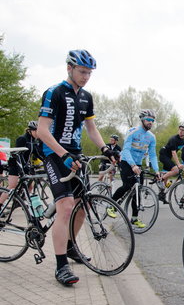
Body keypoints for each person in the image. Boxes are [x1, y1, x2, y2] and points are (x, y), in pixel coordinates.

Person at [37, 50, 117, 286]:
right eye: (82, 72)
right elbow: (42, 130)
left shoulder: (86, 97)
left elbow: (91, 128)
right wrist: (62, 154)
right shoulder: (54, 92)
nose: (86, 77)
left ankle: (71, 247)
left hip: (75, 155)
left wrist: (105, 149)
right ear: (69, 68)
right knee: (66, 206)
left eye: (89, 73)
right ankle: (61, 266)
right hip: (54, 154)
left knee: (84, 204)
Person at [107, 109, 161, 228]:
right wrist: (132, 165)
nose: (150, 122)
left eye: (152, 120)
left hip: (138, 164)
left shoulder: (151, 137)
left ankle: (134, 218)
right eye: (148, 120)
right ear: (142, 120)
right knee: (127, 186)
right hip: (127, 162)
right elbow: (125, 150)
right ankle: (111, 206)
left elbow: (152, 155)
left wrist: (157, 171)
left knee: (138, 190)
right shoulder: (132, 131)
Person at [0, 121, 42, 209]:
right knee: (11, 186)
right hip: (15, 165)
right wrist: (24, 166)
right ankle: (0, 204)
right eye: (37, 131)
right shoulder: (22, 139)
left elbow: (37, 153)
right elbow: (18, 154)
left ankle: (20, 201)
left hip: (24, 166)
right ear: (30, 131)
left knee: (30, 186)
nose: (38, 134)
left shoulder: (33, 140)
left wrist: (45, 161)